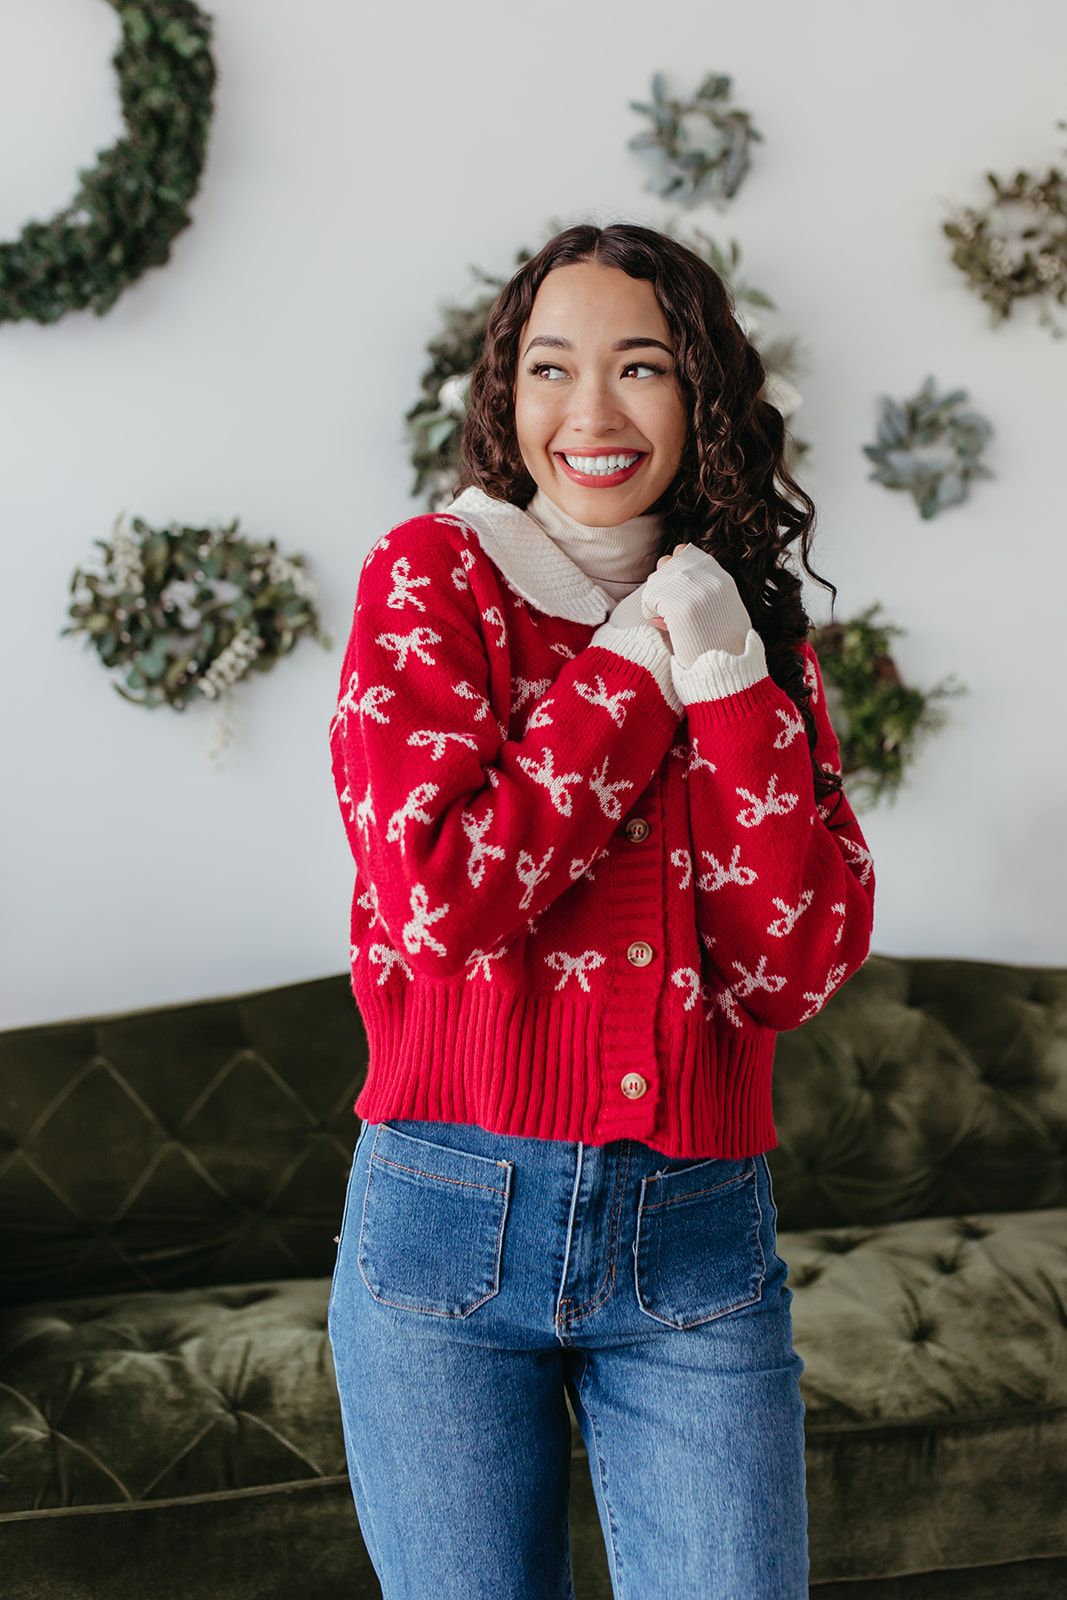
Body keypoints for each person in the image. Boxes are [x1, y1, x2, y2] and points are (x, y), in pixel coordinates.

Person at [326, 221, 877, 1598]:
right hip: (447, 1226)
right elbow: (445, 897)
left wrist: (733, 683)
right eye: (550, 367)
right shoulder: (431, 580)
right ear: (506, 400)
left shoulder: (742, 628)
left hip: (698, 1235)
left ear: (700, 395)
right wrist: (634, 669)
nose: (591, 410)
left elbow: (796, 968)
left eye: (641, 367)